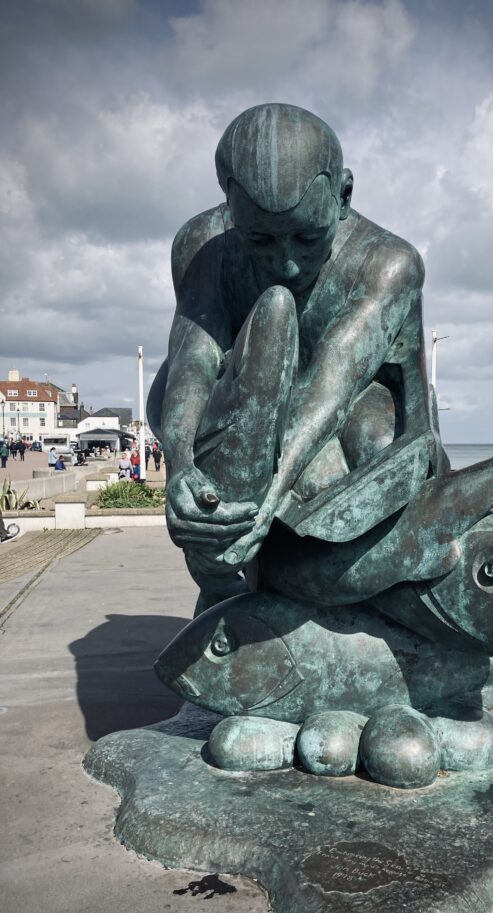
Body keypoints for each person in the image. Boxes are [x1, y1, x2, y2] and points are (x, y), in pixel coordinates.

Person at [148, 103, 430, 597]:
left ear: (343, 195)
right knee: (207, 452)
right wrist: (180, 469)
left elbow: (333, 383)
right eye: (259, 239)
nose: (289, 264)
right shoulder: (201, 244)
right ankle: (224, 568)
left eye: (308, 237)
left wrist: (268, 502)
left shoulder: (389, 263)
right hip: (240, 405)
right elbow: (194, 357)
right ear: (228, 205)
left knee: (374, 439)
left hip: (351, 410)